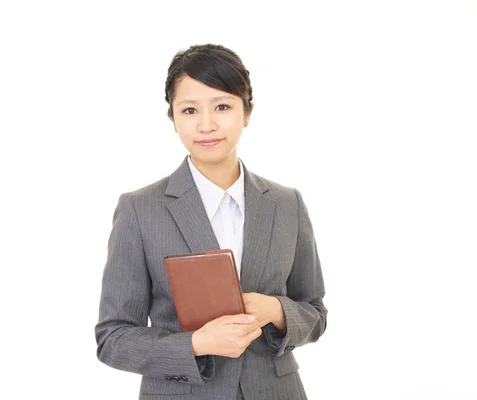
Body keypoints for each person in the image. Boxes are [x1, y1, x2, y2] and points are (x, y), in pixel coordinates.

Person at [94, 44, 327, 400]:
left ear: (247, 112)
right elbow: (113, 337)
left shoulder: (286, 203)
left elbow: (315, 312)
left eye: (222, 106)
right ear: (173, 118)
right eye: (189, 110)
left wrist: (277, 311)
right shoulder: (139, 209)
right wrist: (196, 344)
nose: (206, 125)